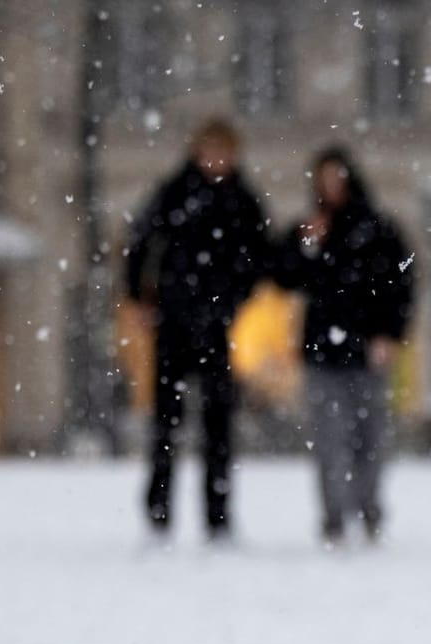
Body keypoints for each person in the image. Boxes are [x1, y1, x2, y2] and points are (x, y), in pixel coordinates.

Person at [123, 118, 271, 537]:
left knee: (217, 423)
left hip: (216, 325)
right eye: (210, 151)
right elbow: (141, 241)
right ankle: (159, 506)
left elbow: (257, 256)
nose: (216, 160)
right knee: (165, 421)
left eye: (223, 152)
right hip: (173, 318)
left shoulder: (242, 200)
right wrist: (138, 295)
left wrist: (234, 298)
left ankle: (217, 511)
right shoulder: (174, 192)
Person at [275, 147, 414, 545]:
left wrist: (390, 333)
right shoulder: (310, 230)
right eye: (323, 180)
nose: (330, 188)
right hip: (322, 351)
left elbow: (401, 282)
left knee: (369, 439)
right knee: (329, 441)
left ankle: (369, 511)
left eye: (337, 179)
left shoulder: (381, 231)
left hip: (369, 351)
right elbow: (284, 277)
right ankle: (334, 516)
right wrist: (304, 245)